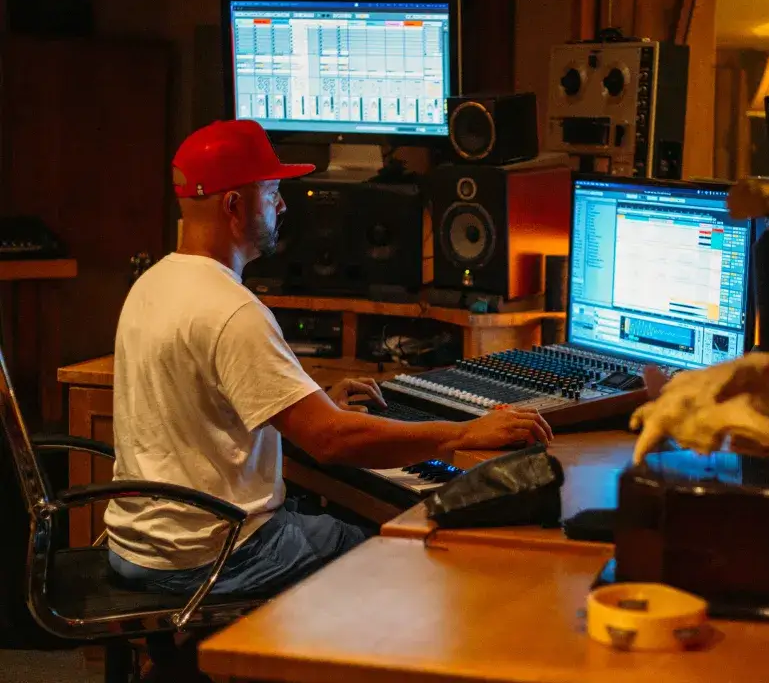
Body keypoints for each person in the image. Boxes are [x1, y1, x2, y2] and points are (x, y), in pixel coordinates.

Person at [105, 119, 553, 598]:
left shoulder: (152, 284)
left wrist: (310, 400)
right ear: (234, 205)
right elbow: (331, 442)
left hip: (137, 544)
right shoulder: (231, 309)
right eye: (271, 190)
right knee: (406, 561)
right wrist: (465, 434)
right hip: (218, 554)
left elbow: (204, 410)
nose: (281, 204)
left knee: (335, 517)